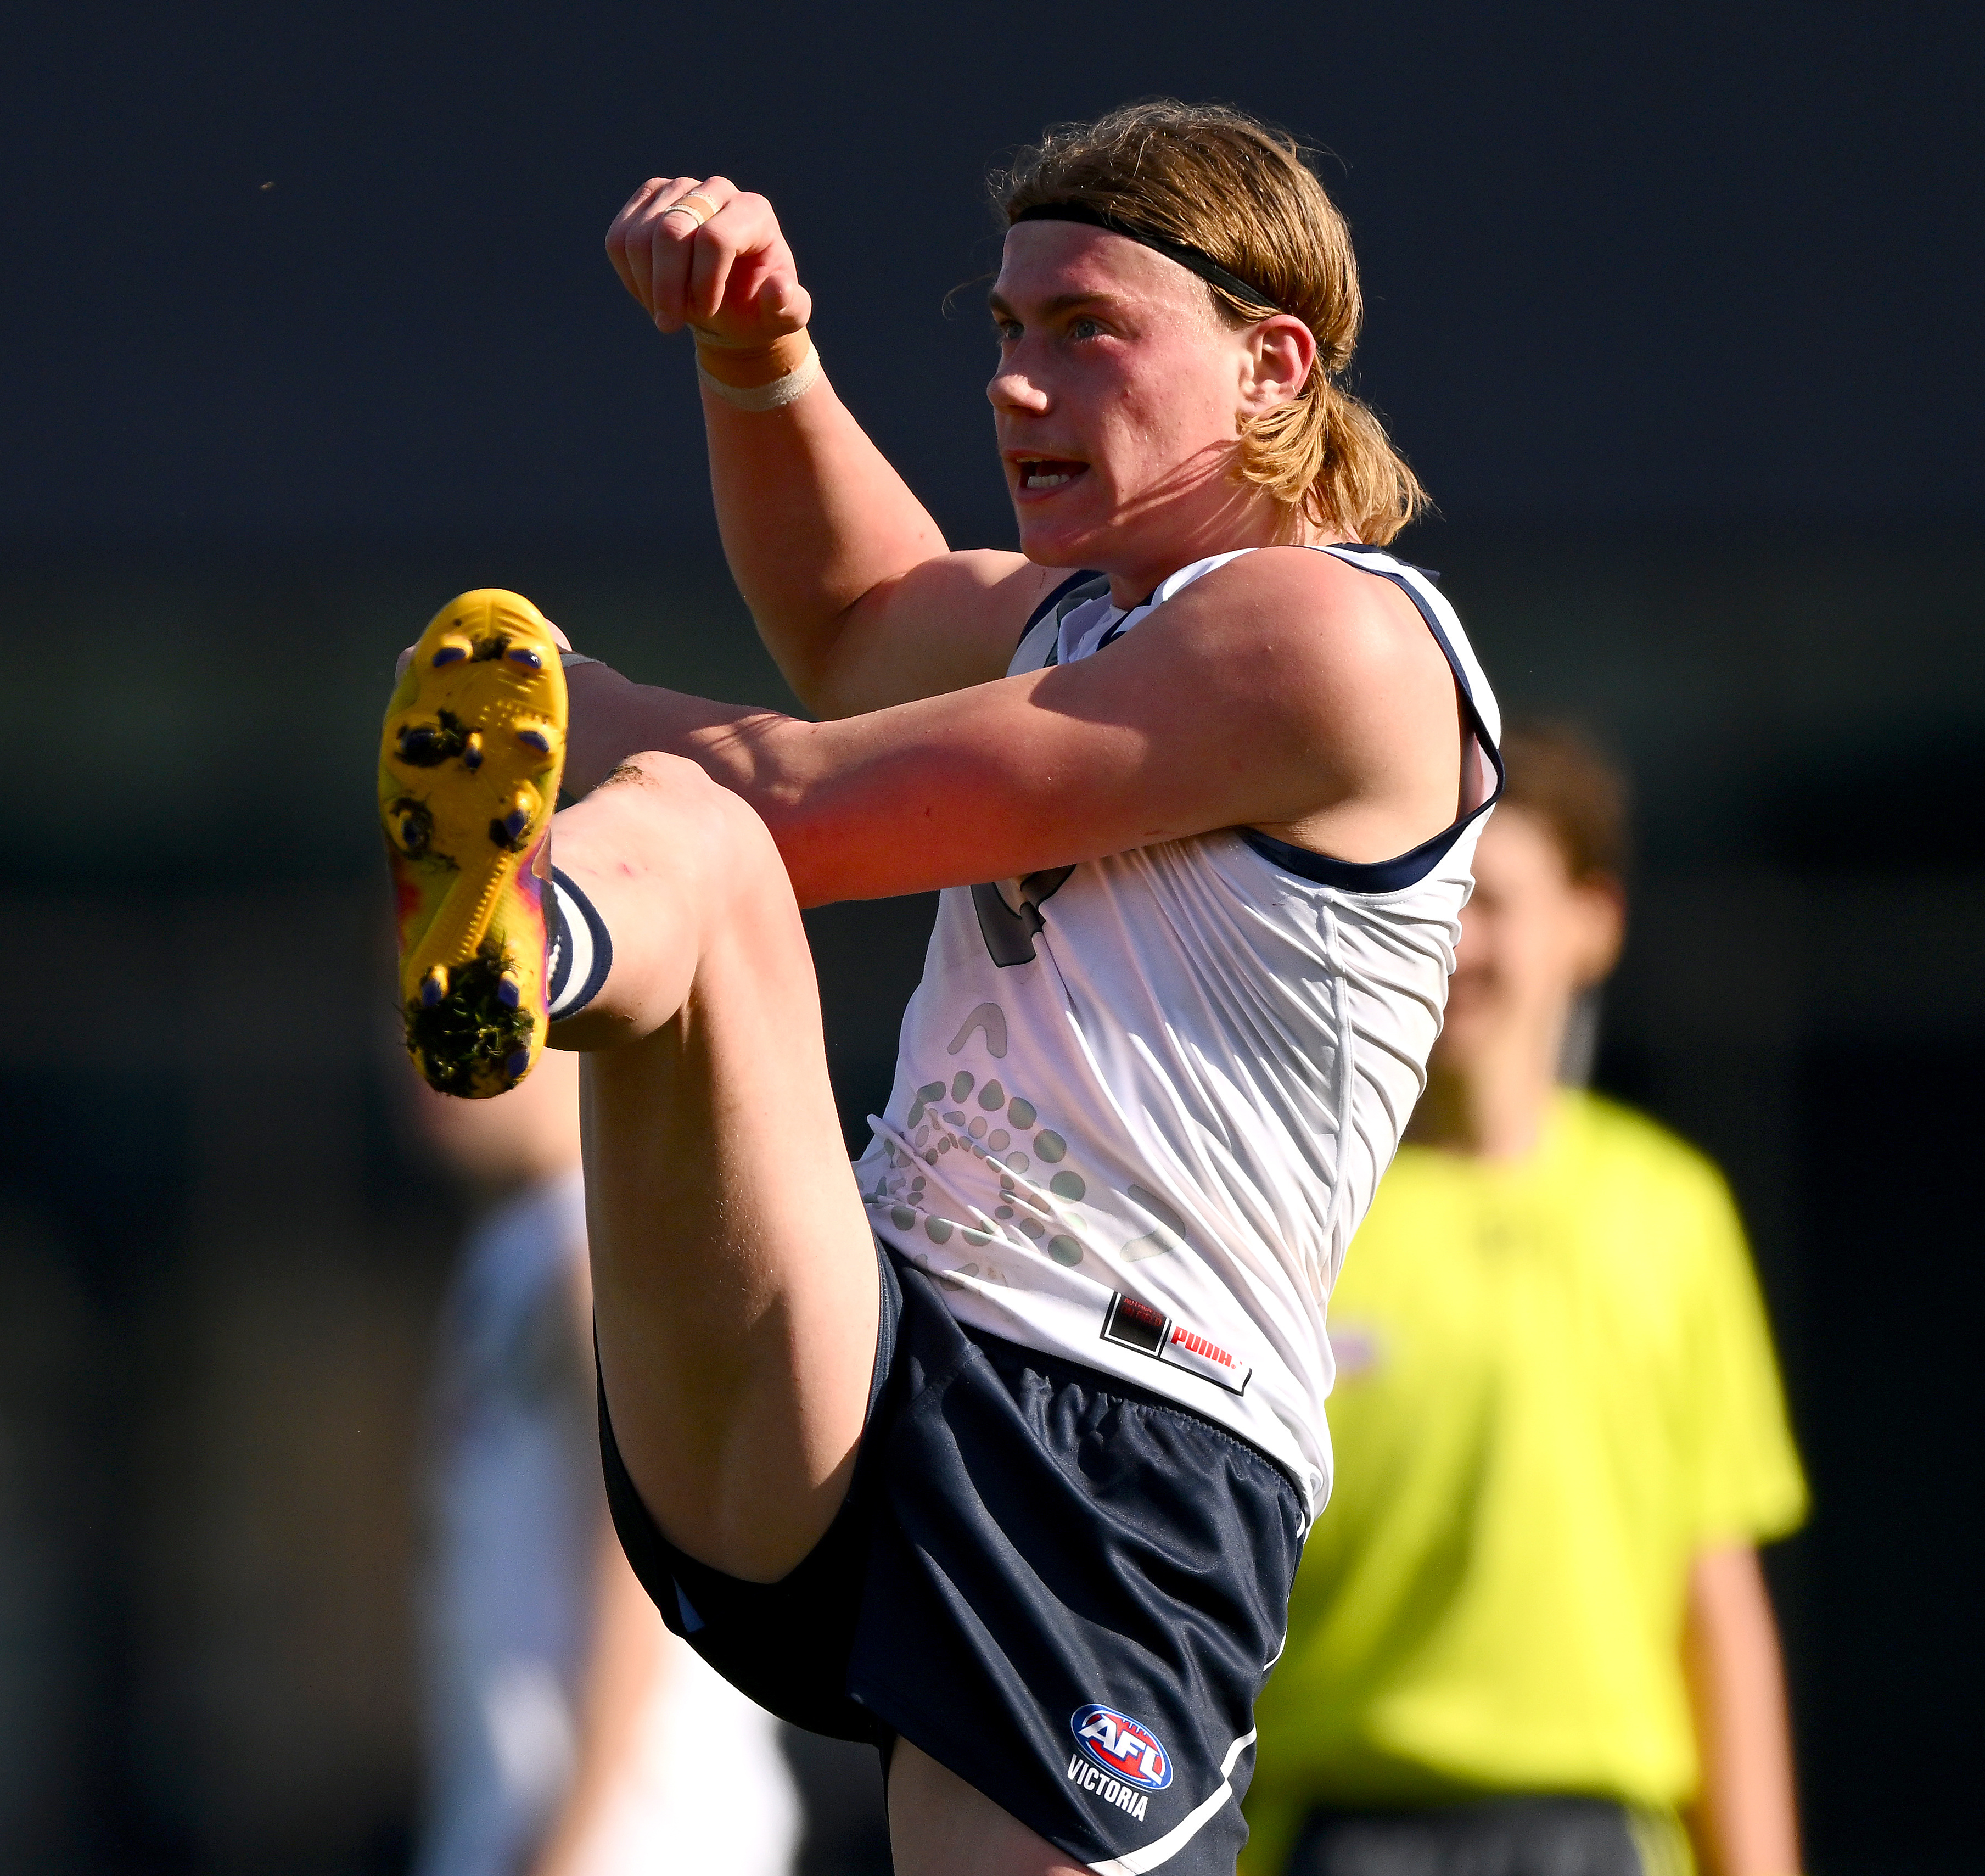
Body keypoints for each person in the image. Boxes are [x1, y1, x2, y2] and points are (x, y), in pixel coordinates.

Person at [377, 101, 1499, 1875]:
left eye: (1084, 330)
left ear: (1272, 365)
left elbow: (826, 797)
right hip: (869, 1359)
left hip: (1119, 1450)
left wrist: (563, 716)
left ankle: (541, 916)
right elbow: (860, 620)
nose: (1014, 384)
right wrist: (759, 358)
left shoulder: (1334, 641)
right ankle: (527, 944)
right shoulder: (1075, 621)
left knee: (707, 824)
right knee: (681, 826)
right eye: (1002, 329)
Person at [1239, 727, 1809, 1876]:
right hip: (1333, 1829)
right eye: (1436, 897)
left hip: (1595, 1834)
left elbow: (1716, 1596)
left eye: (1491, 899)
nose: (1458, 939)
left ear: (1592, 922)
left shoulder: (1671, 1213)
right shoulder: (1291, 1210)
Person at [406, 1050, 801, 1876]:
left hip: (635, 1836)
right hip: (526, 1824)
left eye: (476, 982)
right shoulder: (517, 1252)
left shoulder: (596, 1250)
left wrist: (568, 1845)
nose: (423, 1038)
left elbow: (639, 1568)